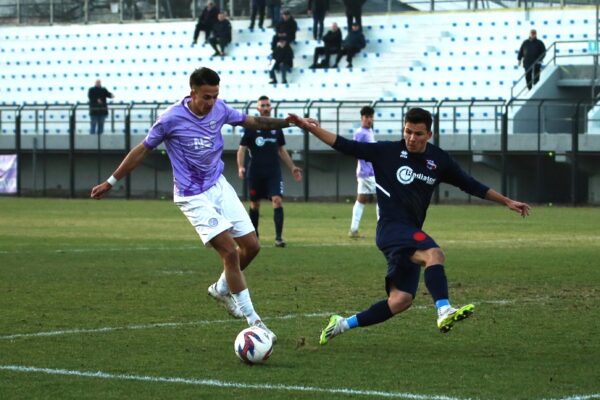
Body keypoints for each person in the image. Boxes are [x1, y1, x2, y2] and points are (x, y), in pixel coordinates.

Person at [90, 67, 315, 343]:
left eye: (215, 96)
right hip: (191, 195)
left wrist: (290, 122)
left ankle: (221, 288)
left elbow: (253, 122)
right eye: (206, 97)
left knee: (253, 247)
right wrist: (111, 182)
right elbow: (141, 150)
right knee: (231, 252)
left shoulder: (219, 109)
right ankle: (255, 323)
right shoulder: (170, 119)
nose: (211, 103)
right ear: (193, 92)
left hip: (217, 185)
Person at [286, 108, 530, 345]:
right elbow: (344, 145)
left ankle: (341, 324)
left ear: (429, 135)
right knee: (435, 254)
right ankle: (444, 309)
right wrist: (310, 128)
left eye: (418, 134)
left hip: (407, 230)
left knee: (400, 300)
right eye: (408, 131)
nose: (411, 138)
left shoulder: (439, 160)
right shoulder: (387, 152)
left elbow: (471, 184)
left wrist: (506, 201)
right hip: (391, 228)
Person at [237, 95, 302, 248]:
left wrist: (292, 167)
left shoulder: (277, 128)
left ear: (271, 108)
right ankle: (255, 236)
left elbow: (281, 149)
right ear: (258, 109)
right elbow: (241, 150)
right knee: (254, 204)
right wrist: (240, 166)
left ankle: (279, 238)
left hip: (274, 172)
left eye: (268, 105)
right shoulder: (251, 128)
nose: (266, 108)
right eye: (263, 106)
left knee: (277, 200)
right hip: (256, 172)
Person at [348, 106, 377, 238]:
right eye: (367, 117)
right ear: (362, 118)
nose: (369, 119)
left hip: (365, 172)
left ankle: (353, 230)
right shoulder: (360, 133)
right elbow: (354, 150)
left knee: (361, 200)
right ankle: (383, 230)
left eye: (371, 117)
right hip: (368, 173)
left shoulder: (369, 131)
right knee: (383, 197)